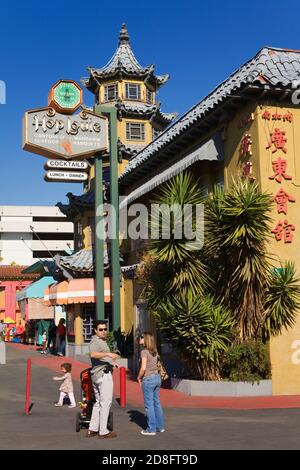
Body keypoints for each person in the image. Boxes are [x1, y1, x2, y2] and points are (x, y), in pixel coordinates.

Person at [86, 320, 119, 439]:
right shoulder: (96, 341)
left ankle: (92, 429)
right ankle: (103, 431)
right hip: (103, 375)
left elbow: (99, 357)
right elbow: (93, 354)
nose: (104, 331)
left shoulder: (101, 341)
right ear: (95, 330)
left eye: (105, 329)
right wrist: (109, 355)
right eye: (101, 329)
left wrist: (111, 363)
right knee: (105, 403)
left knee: (98, 402)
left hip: (98, 374)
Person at [137, 332, 165, 436]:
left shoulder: (144, 352)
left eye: (141, 337)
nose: (140, 339)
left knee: (149, 405)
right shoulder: (155, 351)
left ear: (146, 339)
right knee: (156, 403)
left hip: (148, 379)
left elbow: (143, 368)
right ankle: (160, 426)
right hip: (157, 378)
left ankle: (151, 429)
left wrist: (139, 377)